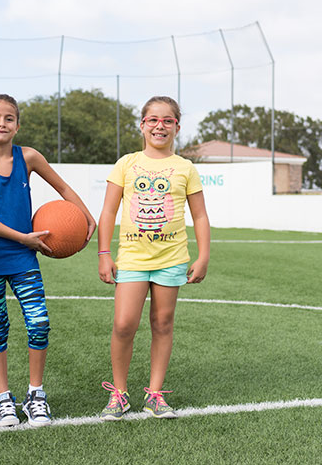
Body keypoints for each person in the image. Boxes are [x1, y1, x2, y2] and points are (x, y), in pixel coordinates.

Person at [0, 94, 96, 428]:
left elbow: (63, 187)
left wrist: (85, 215)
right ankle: (4, 399)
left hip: (24, 258)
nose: (2, 123)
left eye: (9, 118)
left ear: (17, 125)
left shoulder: (30, 157)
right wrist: (23, 237)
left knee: (39, 323)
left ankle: (35, 395)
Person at [97, 95, 210, 420]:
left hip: (171, 259)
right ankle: (119, 393)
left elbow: (200, 216)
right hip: (132, 258)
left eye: (167, 121)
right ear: (142, 125)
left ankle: (155, 394)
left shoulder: (185, 168)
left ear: (177, 126)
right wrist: (105, 253)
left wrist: (203, 256)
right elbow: (108, 211)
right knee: (123, 325)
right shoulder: (127, 163)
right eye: (153, 120)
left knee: (162, 323)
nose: (160, 126)